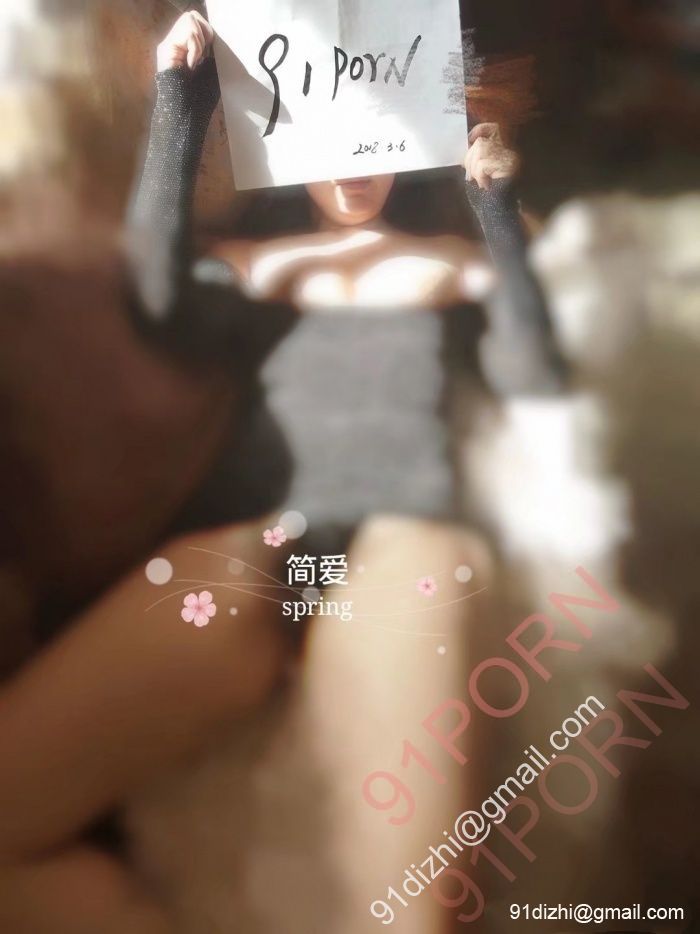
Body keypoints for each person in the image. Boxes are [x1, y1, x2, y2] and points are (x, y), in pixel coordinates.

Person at [0, 10, 566, 933]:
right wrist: (181, 103)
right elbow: (156, 299)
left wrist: (496, 205)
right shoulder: (255, 262)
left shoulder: (451, 263)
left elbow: (533, 372)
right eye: (326, 135)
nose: (351, 168)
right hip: (253, 546)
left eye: (373, 133)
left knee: (407, 910)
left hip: (398, 542)